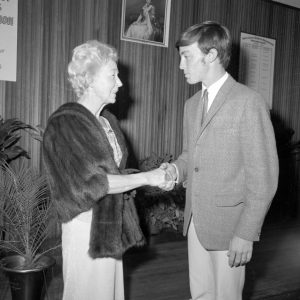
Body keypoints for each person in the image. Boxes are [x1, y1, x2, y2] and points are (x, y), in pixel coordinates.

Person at [161, 21, 279, 300]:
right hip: (195, 223)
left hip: (230, 228)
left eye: (186, 56)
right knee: (200, 294)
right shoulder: (191, 105)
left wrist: (246, 232)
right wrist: (174, 170)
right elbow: (191, 155)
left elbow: (264, 177)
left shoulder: (249, 102)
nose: (181, 65)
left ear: (211, 55)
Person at [42, 40, 169, 300]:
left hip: (110, 227)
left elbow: (116, 174)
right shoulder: (65, 124)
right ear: (89, 79)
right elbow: (92, 184)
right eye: (112, 74)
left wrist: (158, 176)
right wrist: (148, 177)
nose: (120, 82)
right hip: (86, 231)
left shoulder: (107, 121)